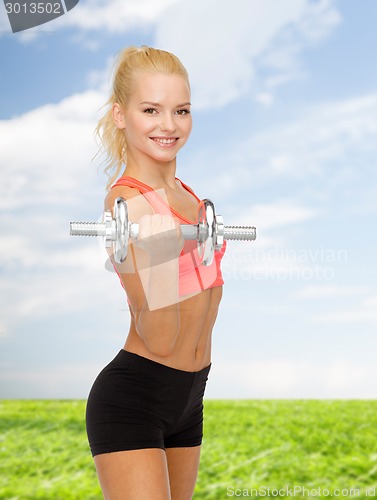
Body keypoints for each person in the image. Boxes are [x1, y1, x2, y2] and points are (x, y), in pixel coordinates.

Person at [85, 46, 226, 500]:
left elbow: (209, 307)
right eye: (151, 110)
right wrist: (161, 254)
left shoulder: (190, 196)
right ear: (121, 115)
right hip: (135, 398)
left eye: (180, 111)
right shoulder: (129, 202)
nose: (169, 125)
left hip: (190, 396)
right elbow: (161, 338)